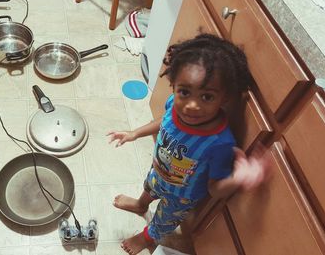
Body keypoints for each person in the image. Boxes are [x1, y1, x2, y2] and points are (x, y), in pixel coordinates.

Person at [107, 34, 272, 255]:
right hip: (158, 171)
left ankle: (146, 237)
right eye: (184, 92)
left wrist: (238, 180)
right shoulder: (175, 105)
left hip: (181, 197)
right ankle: (140, 204)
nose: (192, 105)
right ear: (174, 86)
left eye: (207, 97)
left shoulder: (220, 143)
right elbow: (164, 121)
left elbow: (214, 189)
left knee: (163, 221)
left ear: (224, 98)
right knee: (149, 188)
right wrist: (134, 133)